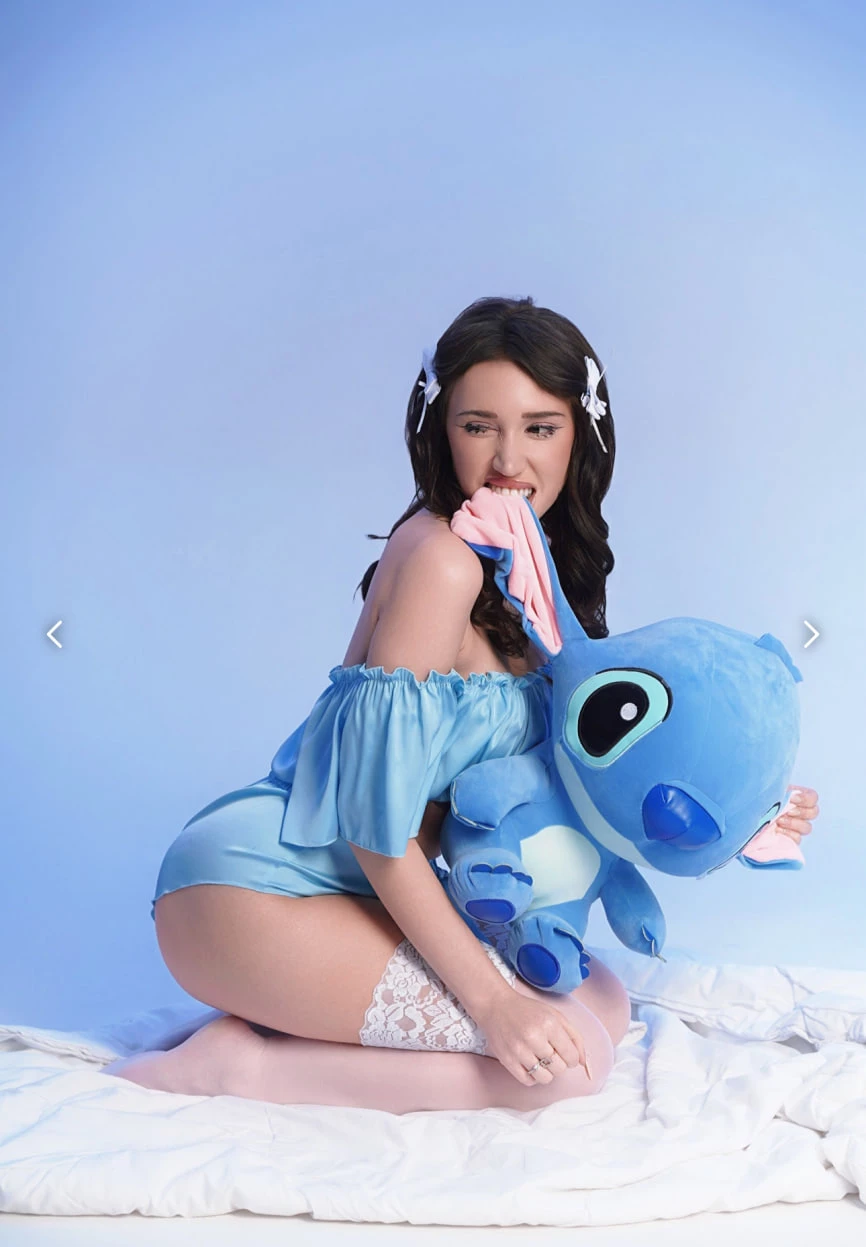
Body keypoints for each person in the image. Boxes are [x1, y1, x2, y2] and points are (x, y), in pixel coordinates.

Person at [102, 296, 819, 1114]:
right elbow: (374, 826)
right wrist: (493, 1004)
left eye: (540, 427)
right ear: (440, 430)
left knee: (608, 1003)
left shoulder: (531, 575)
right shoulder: (442, 562)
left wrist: (755, 816)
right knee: (566, 1066)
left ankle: (287, 1025)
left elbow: (592, 791)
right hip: (258, 890)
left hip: (365, 896)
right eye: (479, 426)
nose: (509, 459)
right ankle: (239, 1067)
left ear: (580, 435)